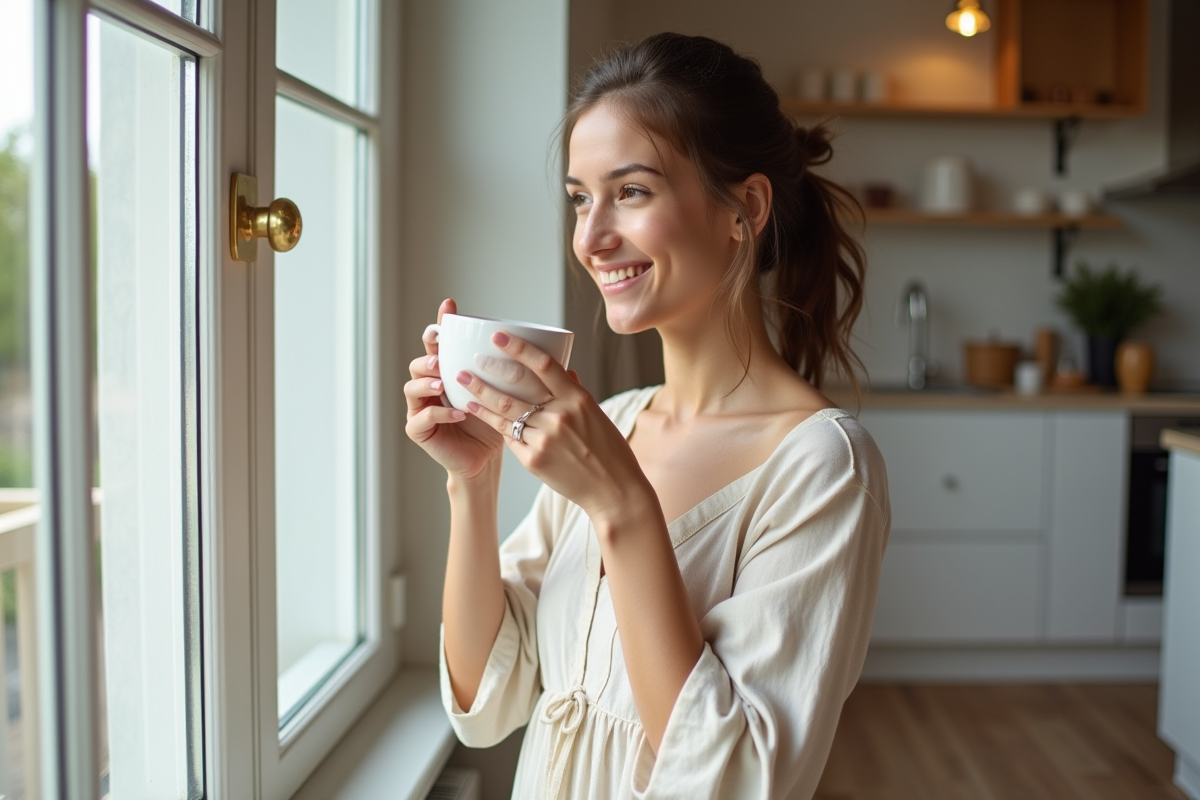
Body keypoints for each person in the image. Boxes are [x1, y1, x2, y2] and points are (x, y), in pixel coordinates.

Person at [405, 32, 891, 800]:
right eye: (578, 197)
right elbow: (485, 703)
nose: (591, 239)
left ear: (745, 209)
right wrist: (474, 481)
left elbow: (731, 779)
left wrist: (623, 505)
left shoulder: (821, 466)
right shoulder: (614, 424)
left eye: (631, 192)